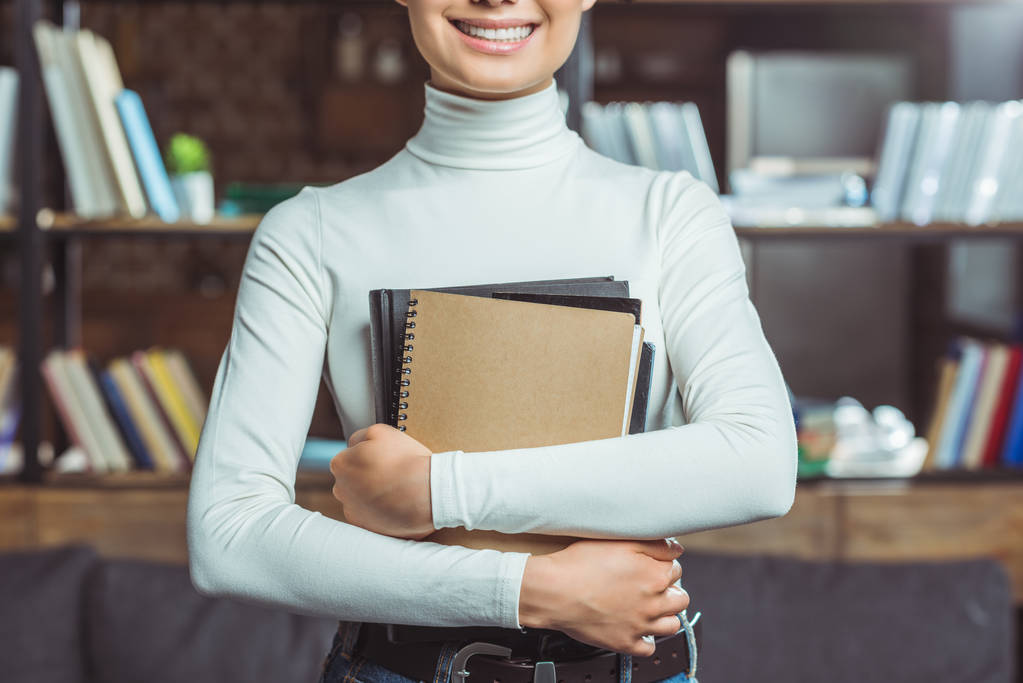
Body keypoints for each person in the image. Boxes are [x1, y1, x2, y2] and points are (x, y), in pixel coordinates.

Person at [186, 0, 798, 681]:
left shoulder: (671, 214)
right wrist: (533, 590)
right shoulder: (309, 232)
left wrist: (441, 490)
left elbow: (760, 462)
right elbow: (229, 535)